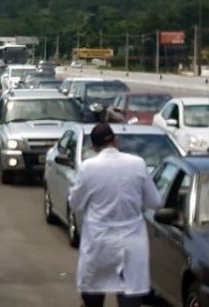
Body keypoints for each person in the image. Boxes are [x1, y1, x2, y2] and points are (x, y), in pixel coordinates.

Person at [69, 123, 161, 307]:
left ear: (93, 147)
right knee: (129, 294)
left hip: (99, 241)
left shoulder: (88, 168)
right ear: (116, 141)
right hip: (131, 241)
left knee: (93, 294)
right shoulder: (138, 164)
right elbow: (155, 202)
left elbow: (75, 204)